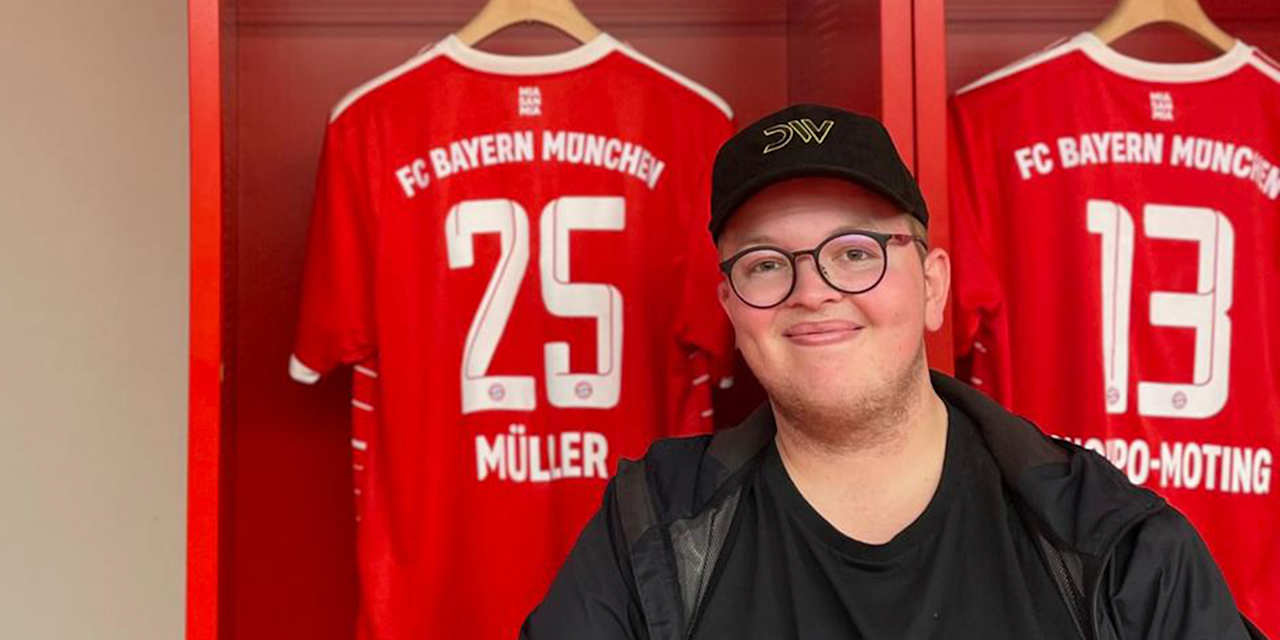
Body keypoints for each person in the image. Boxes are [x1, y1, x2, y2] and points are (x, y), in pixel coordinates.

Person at [519, 104, 1265, 640]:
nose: (812, 290)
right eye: (766, 263)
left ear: (934, 284)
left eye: (855, 252)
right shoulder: (650, 525)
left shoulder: (1109, 539)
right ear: (731, 306)